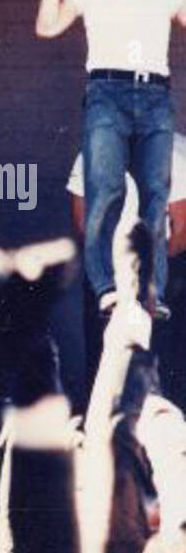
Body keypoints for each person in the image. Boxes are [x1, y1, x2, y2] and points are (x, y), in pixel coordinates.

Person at [36, 0, 186, 318]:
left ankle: (152, 290)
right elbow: (47, 26)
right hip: (106, 91)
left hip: (155, 93)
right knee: (105, 191)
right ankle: (105, 286)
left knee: (156, 195)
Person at [67, 132, 186, 408]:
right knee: (105, 361)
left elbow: (180, 230)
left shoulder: (175, 151)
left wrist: (146, 271)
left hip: (159, 273)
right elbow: (81, 216)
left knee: (165, 363)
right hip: (111, 271)